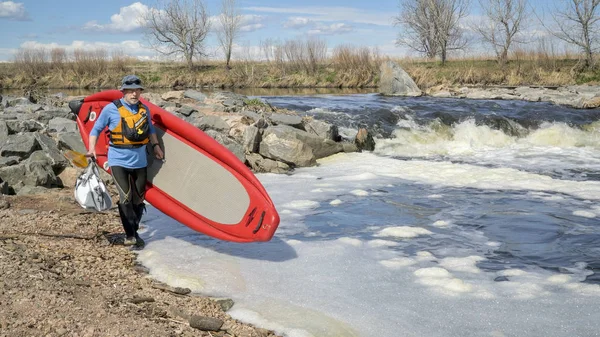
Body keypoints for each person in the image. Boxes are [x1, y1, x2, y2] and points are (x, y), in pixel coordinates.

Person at [87, 75, 164, 247]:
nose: (134, 94)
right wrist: (91, 149)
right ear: (123, 92)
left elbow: (151, 130)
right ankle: (130, 235)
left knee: (139, 199)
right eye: (130, 91)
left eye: (137, 90)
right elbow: (96, 129)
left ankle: (133, 231)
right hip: (118, 160)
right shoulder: (110, 109)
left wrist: (156, 146)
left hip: (140, 161)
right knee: (126, 197)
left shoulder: (144, 110)